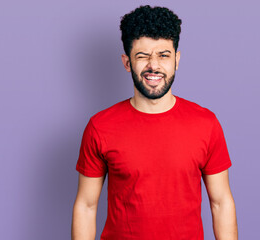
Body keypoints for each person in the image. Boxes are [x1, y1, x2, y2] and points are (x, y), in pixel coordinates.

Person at [72, 5, 238, 240]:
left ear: (177, 60)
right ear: (127, 62)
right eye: (142, 56)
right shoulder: (100, 127)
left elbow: (221, 203)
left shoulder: (206, 124)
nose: (153, 65)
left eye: (163, 55)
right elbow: (86, 206)